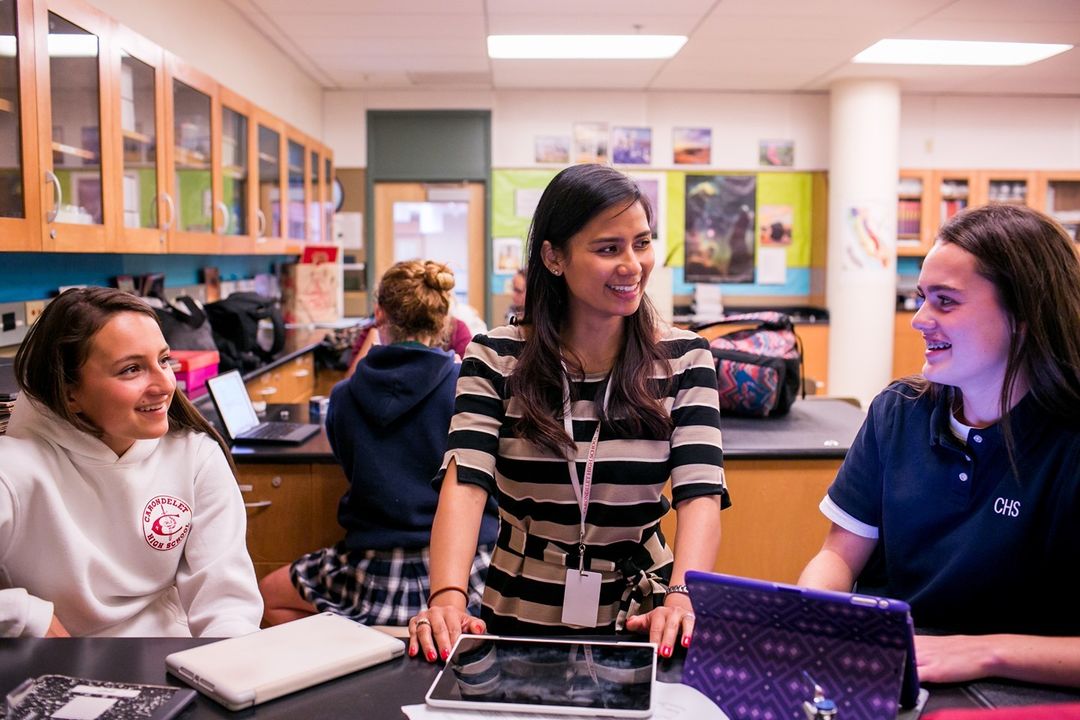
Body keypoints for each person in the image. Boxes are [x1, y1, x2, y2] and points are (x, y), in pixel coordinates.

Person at [408, 164, 728, 663]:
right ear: (554, 257)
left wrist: (683, 594)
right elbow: (465, 482)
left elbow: (700, 492)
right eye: (608, 248)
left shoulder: (684, 358)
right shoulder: (494, 357)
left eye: (642, 244)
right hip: (518, 605)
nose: (632, 264)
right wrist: (447, 596)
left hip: (644, 611)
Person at [798, 203, 1080, 687]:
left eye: (945, 302)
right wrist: (813, 617)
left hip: (1023, 693)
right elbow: (840, 557)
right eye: (921, 297)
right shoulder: (897, 412)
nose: (919, 319)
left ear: (1024, 314)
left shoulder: (1068, 440)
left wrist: (989, 654)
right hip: (900, 675)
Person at [0, 287, 262, 638]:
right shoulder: (14, 469)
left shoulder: (195, 455)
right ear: (69, 393)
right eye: (132, 369)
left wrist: (227, 674)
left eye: (164, 360)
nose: (164, 385)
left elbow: (227, 603)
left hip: (169, 663)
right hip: (53, 672)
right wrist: (25, 615)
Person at [260, 260, 499, 627]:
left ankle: (350, 659)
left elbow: (347, 460)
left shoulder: (344, 396)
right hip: (467, 568)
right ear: (443, 319)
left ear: (378, 314)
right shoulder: (466, 388)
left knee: (267, 598)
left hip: (372, 569)